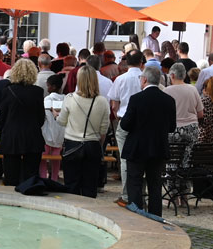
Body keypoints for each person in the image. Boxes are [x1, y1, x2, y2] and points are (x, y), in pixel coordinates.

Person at [118, 66, 177, 215]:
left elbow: (125, 124)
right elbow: (172, 127)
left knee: (135, 183)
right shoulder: (168, 100)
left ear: (144, 79)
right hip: (158, 147)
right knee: (155, 185)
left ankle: (137, 214)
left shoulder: (136, 99)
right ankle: (155, 216)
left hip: (137, 148)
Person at [60, 64, 110, 197]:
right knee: (90, 185)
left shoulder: (70, 98)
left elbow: (61, 121)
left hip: (72, 144)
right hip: (92, 144)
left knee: (71, 184)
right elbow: (104, 129)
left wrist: (55, 115)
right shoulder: (102, 102)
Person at [0, 58, 46, 188]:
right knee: (31, 176)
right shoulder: (38, 92)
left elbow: (2, 116)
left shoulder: (7, 91)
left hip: (12, 136)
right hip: (32, 136)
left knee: (11, 177)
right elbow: (41, 117)